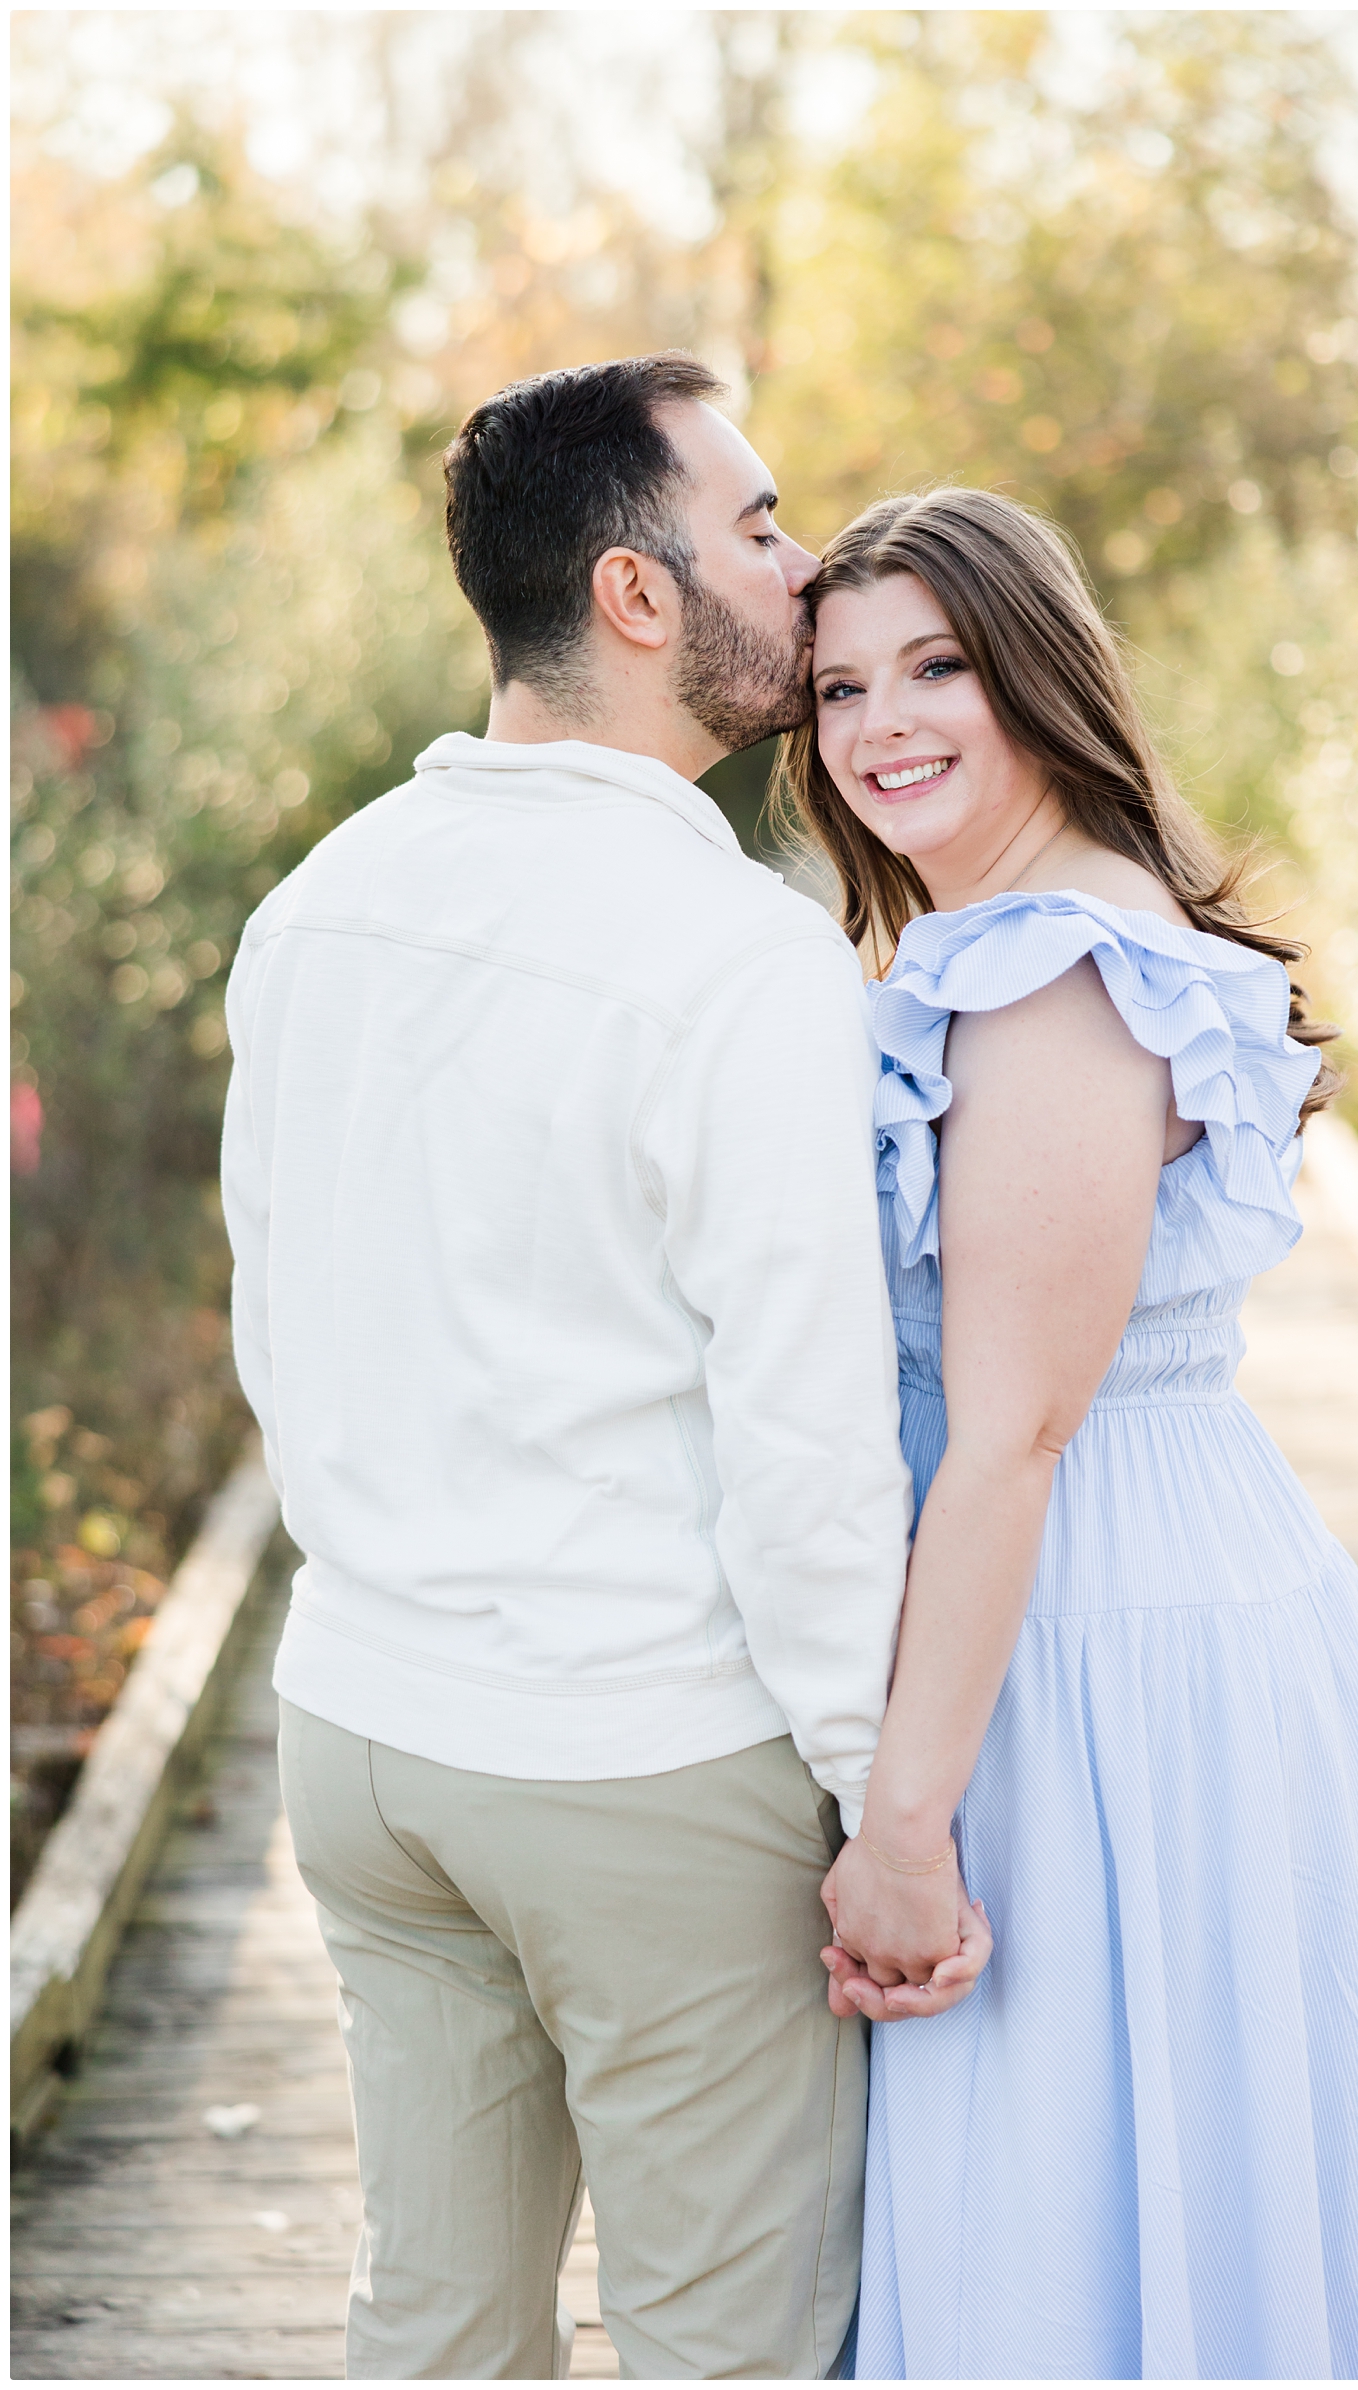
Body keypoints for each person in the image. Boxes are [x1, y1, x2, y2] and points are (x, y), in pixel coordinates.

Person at [220, 355, 985, 2382]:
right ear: (638, 598)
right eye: (754, 526)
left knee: (436, 2324)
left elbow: (274, 1331)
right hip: (638, 1758)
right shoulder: (734, 956)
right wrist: (874, 1805)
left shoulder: (315, 911)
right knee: (721, 2341)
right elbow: (801, 1436)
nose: (802, 563)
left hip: (366, 1738)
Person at [792, 486, 1358, 2381]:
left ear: (1043, 677)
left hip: (1092, 1634)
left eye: (937, 668)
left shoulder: (1059, 970)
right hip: (1102, 1605)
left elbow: (1017, 1431)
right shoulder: (1019, 938)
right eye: (836, 689)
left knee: (1083, 2177)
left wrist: (904, 1829)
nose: (880, 725)